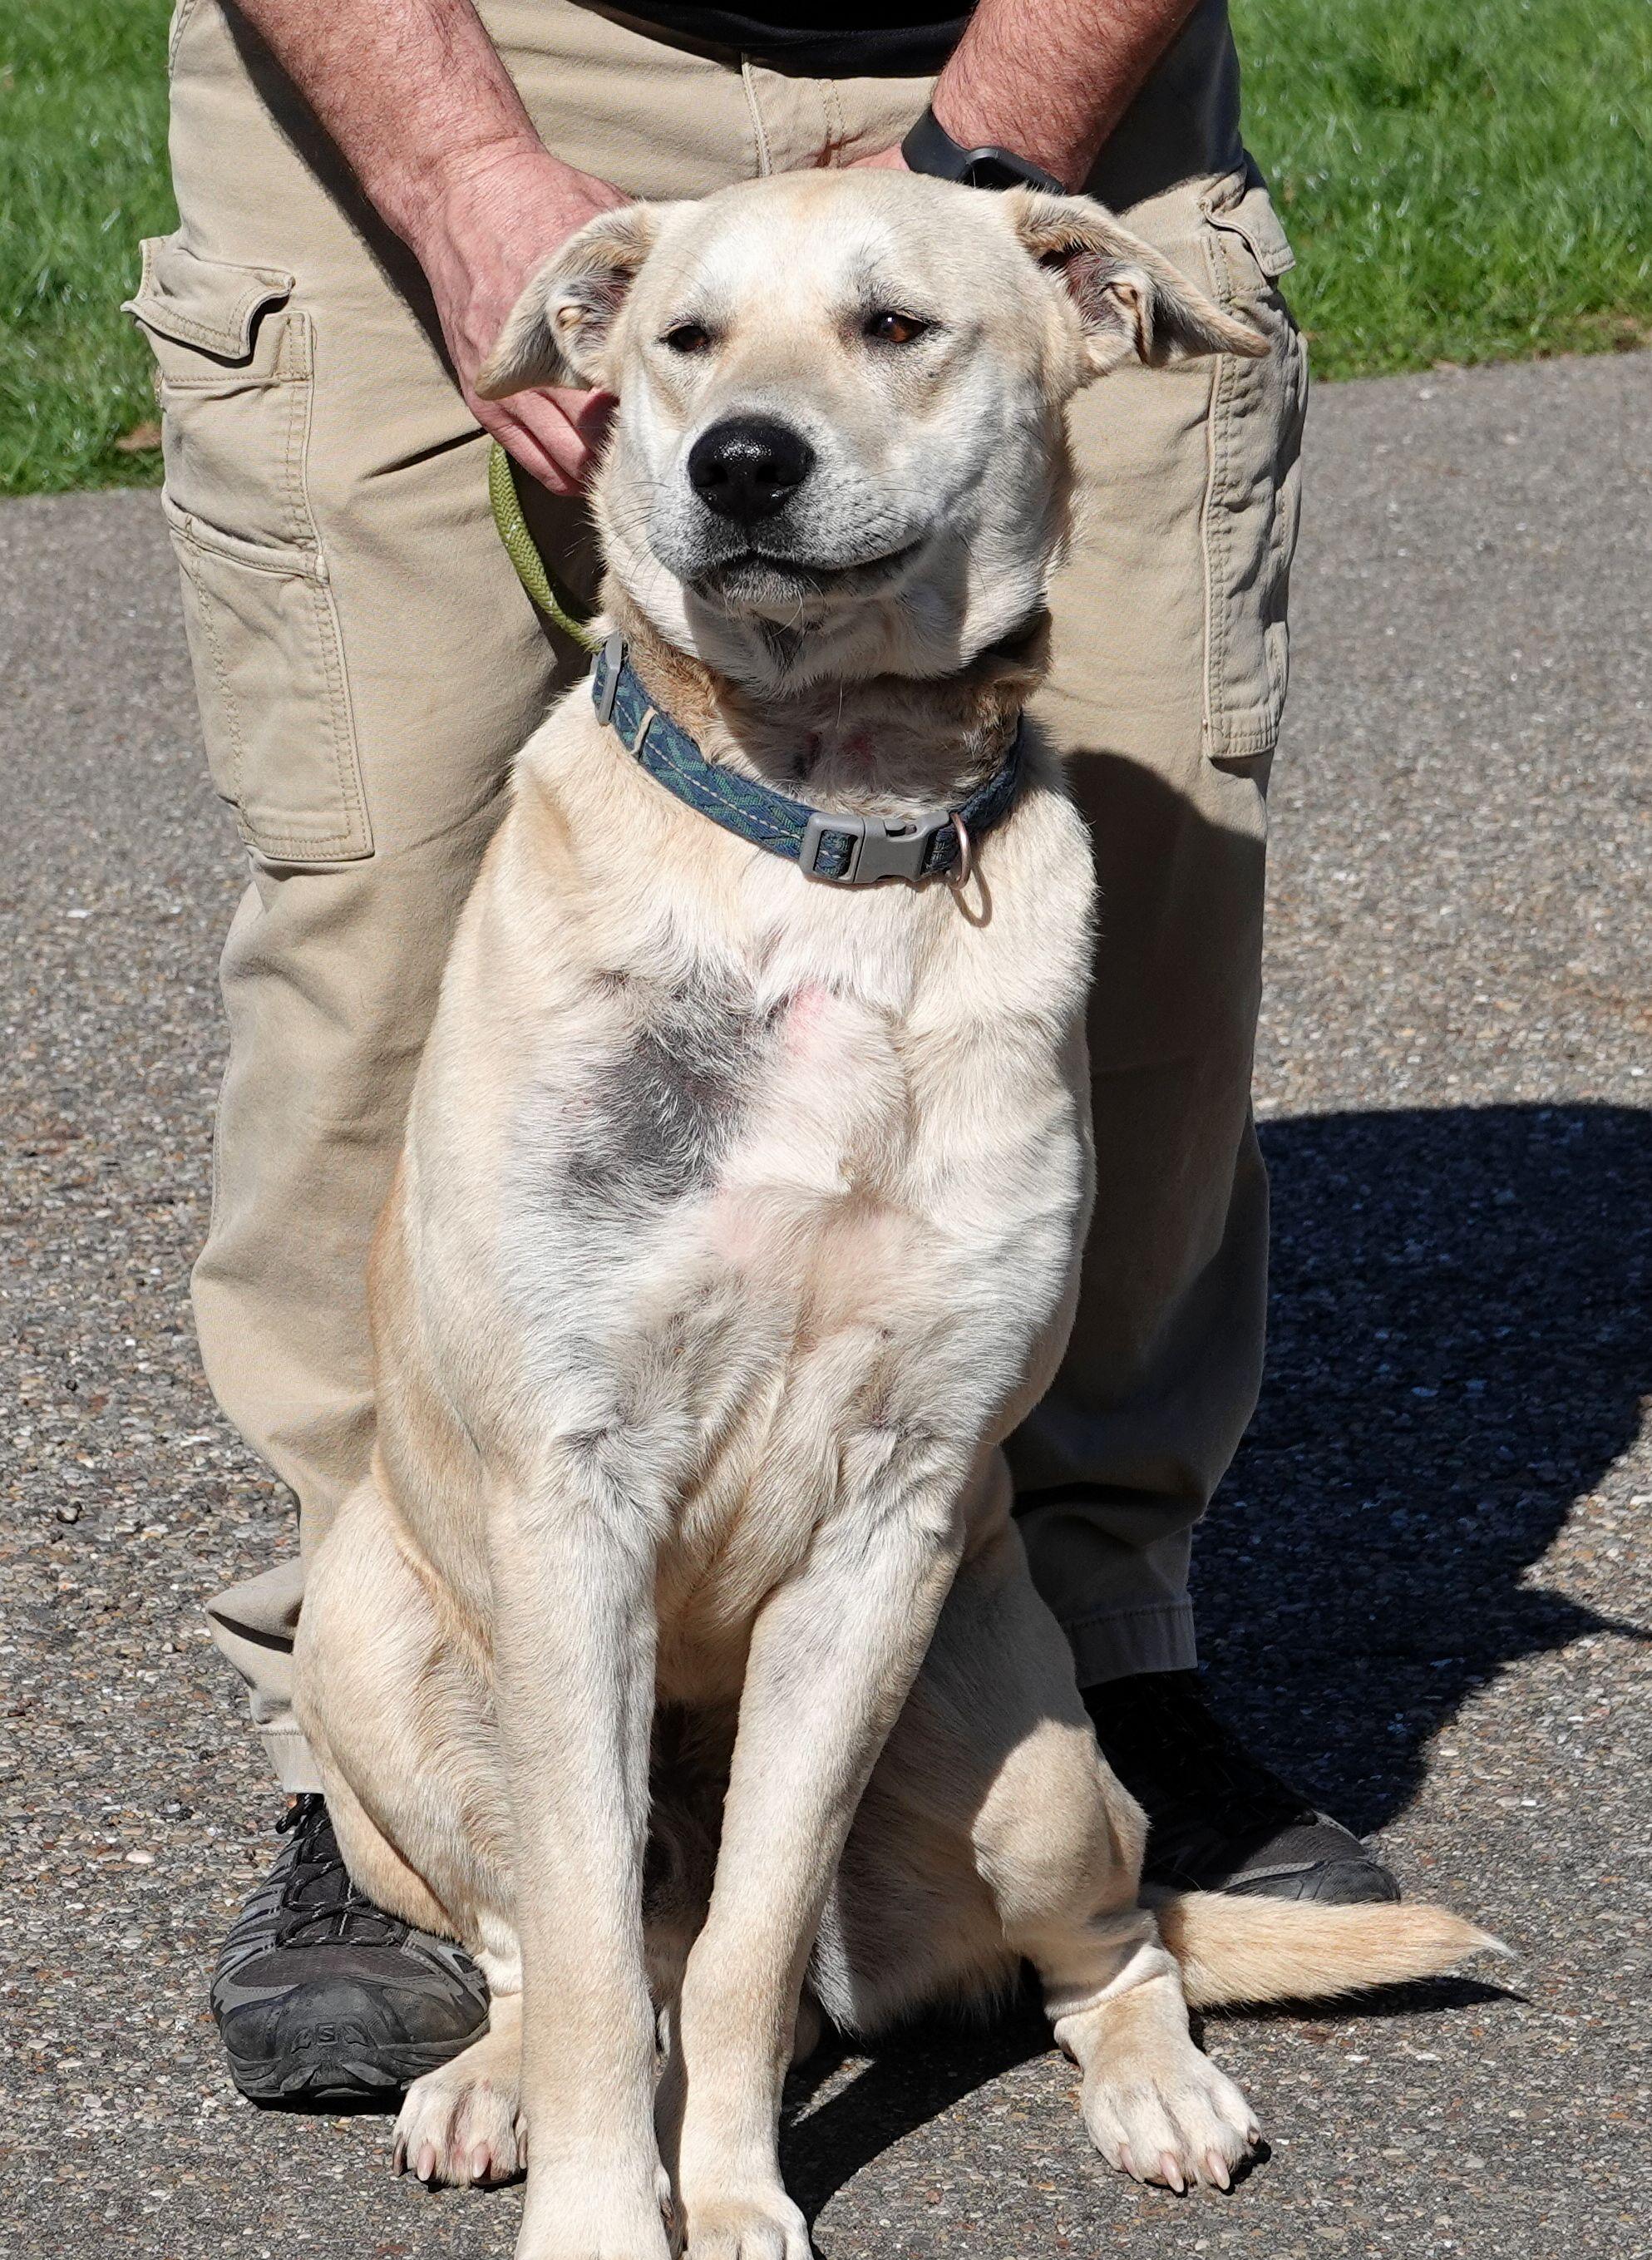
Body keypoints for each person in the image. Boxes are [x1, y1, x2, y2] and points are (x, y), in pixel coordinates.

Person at [131, 0, 1395, 2109]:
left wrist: (986, 174)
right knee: (385, 905)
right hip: (443, 50)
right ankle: (401, 1766)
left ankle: (1070, 1682)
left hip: (1047, 52)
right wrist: (455, 179)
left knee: (1155, 919)